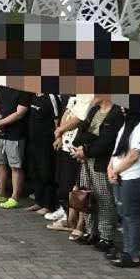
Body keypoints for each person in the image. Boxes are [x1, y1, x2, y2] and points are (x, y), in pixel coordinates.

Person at [73, 96, 124, 251]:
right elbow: (83, 129)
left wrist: (86, 150)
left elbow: (107, 141)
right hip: (86, 159)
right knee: (87, 195)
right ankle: (91, 231)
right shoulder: (94, 110)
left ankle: (106, 236)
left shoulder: (116, 113)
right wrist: (79, 147)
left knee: (104, 198)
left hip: (102, 162)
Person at [107, 109, 140, 268]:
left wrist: (116, 170)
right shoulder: (126, 125)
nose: (122, 109)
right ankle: (126, 249)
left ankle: (132, 254)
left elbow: (134, 155)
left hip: (134, 176)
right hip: (120, 174)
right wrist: (110, 168)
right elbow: (117, 149)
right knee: (123, 213)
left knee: (131, 214)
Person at [0, 84, 32, 209]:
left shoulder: (24, 90)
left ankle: (15, 197)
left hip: (15, 134)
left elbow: (20, 113)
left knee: (15, 166)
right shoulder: (2, 87)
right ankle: (0, 193)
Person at [46, 94, 91, 232]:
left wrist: (60, 130)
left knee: (76, 186)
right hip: (65, 144)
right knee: (63, 185)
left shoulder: (89, 98)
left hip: (77, 147)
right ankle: (69, 217)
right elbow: (66, 113)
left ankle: (78, 223)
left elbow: (78, 119)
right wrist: (60, 135)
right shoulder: (74, 97)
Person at [25, 93, 61, 215]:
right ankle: (39, 201)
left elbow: (57, 119)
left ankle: (49, 204)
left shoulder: (51, 97)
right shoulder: (34, 96)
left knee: (46, 172)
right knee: (34, 171)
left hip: (46, 142)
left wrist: (58, 137)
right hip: (33, 141)